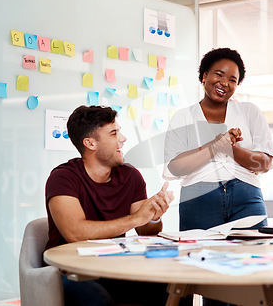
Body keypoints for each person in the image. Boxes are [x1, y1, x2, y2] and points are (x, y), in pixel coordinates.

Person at [45, 105, 179, 306]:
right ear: (90, 143)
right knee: (96, 298)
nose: (123, 138)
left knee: (174, 287)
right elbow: (76, 233)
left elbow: (146, 230)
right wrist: (135, 218)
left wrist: (154, 215)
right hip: (71, 270)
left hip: (114, 266)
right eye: (114, 133)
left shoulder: (130, 176)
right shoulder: (63, 178)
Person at [163, 47, 273, 231]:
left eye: (233, 80)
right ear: (204, 76)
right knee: (199, 256)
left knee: (253, 255)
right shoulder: (183, 117)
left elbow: (264, 164)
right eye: (219, 75)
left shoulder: (249, 112)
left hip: (246, 199)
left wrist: (231, 150)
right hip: (198, 200)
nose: (224, 83)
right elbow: (175, 168)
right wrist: (214, 147)